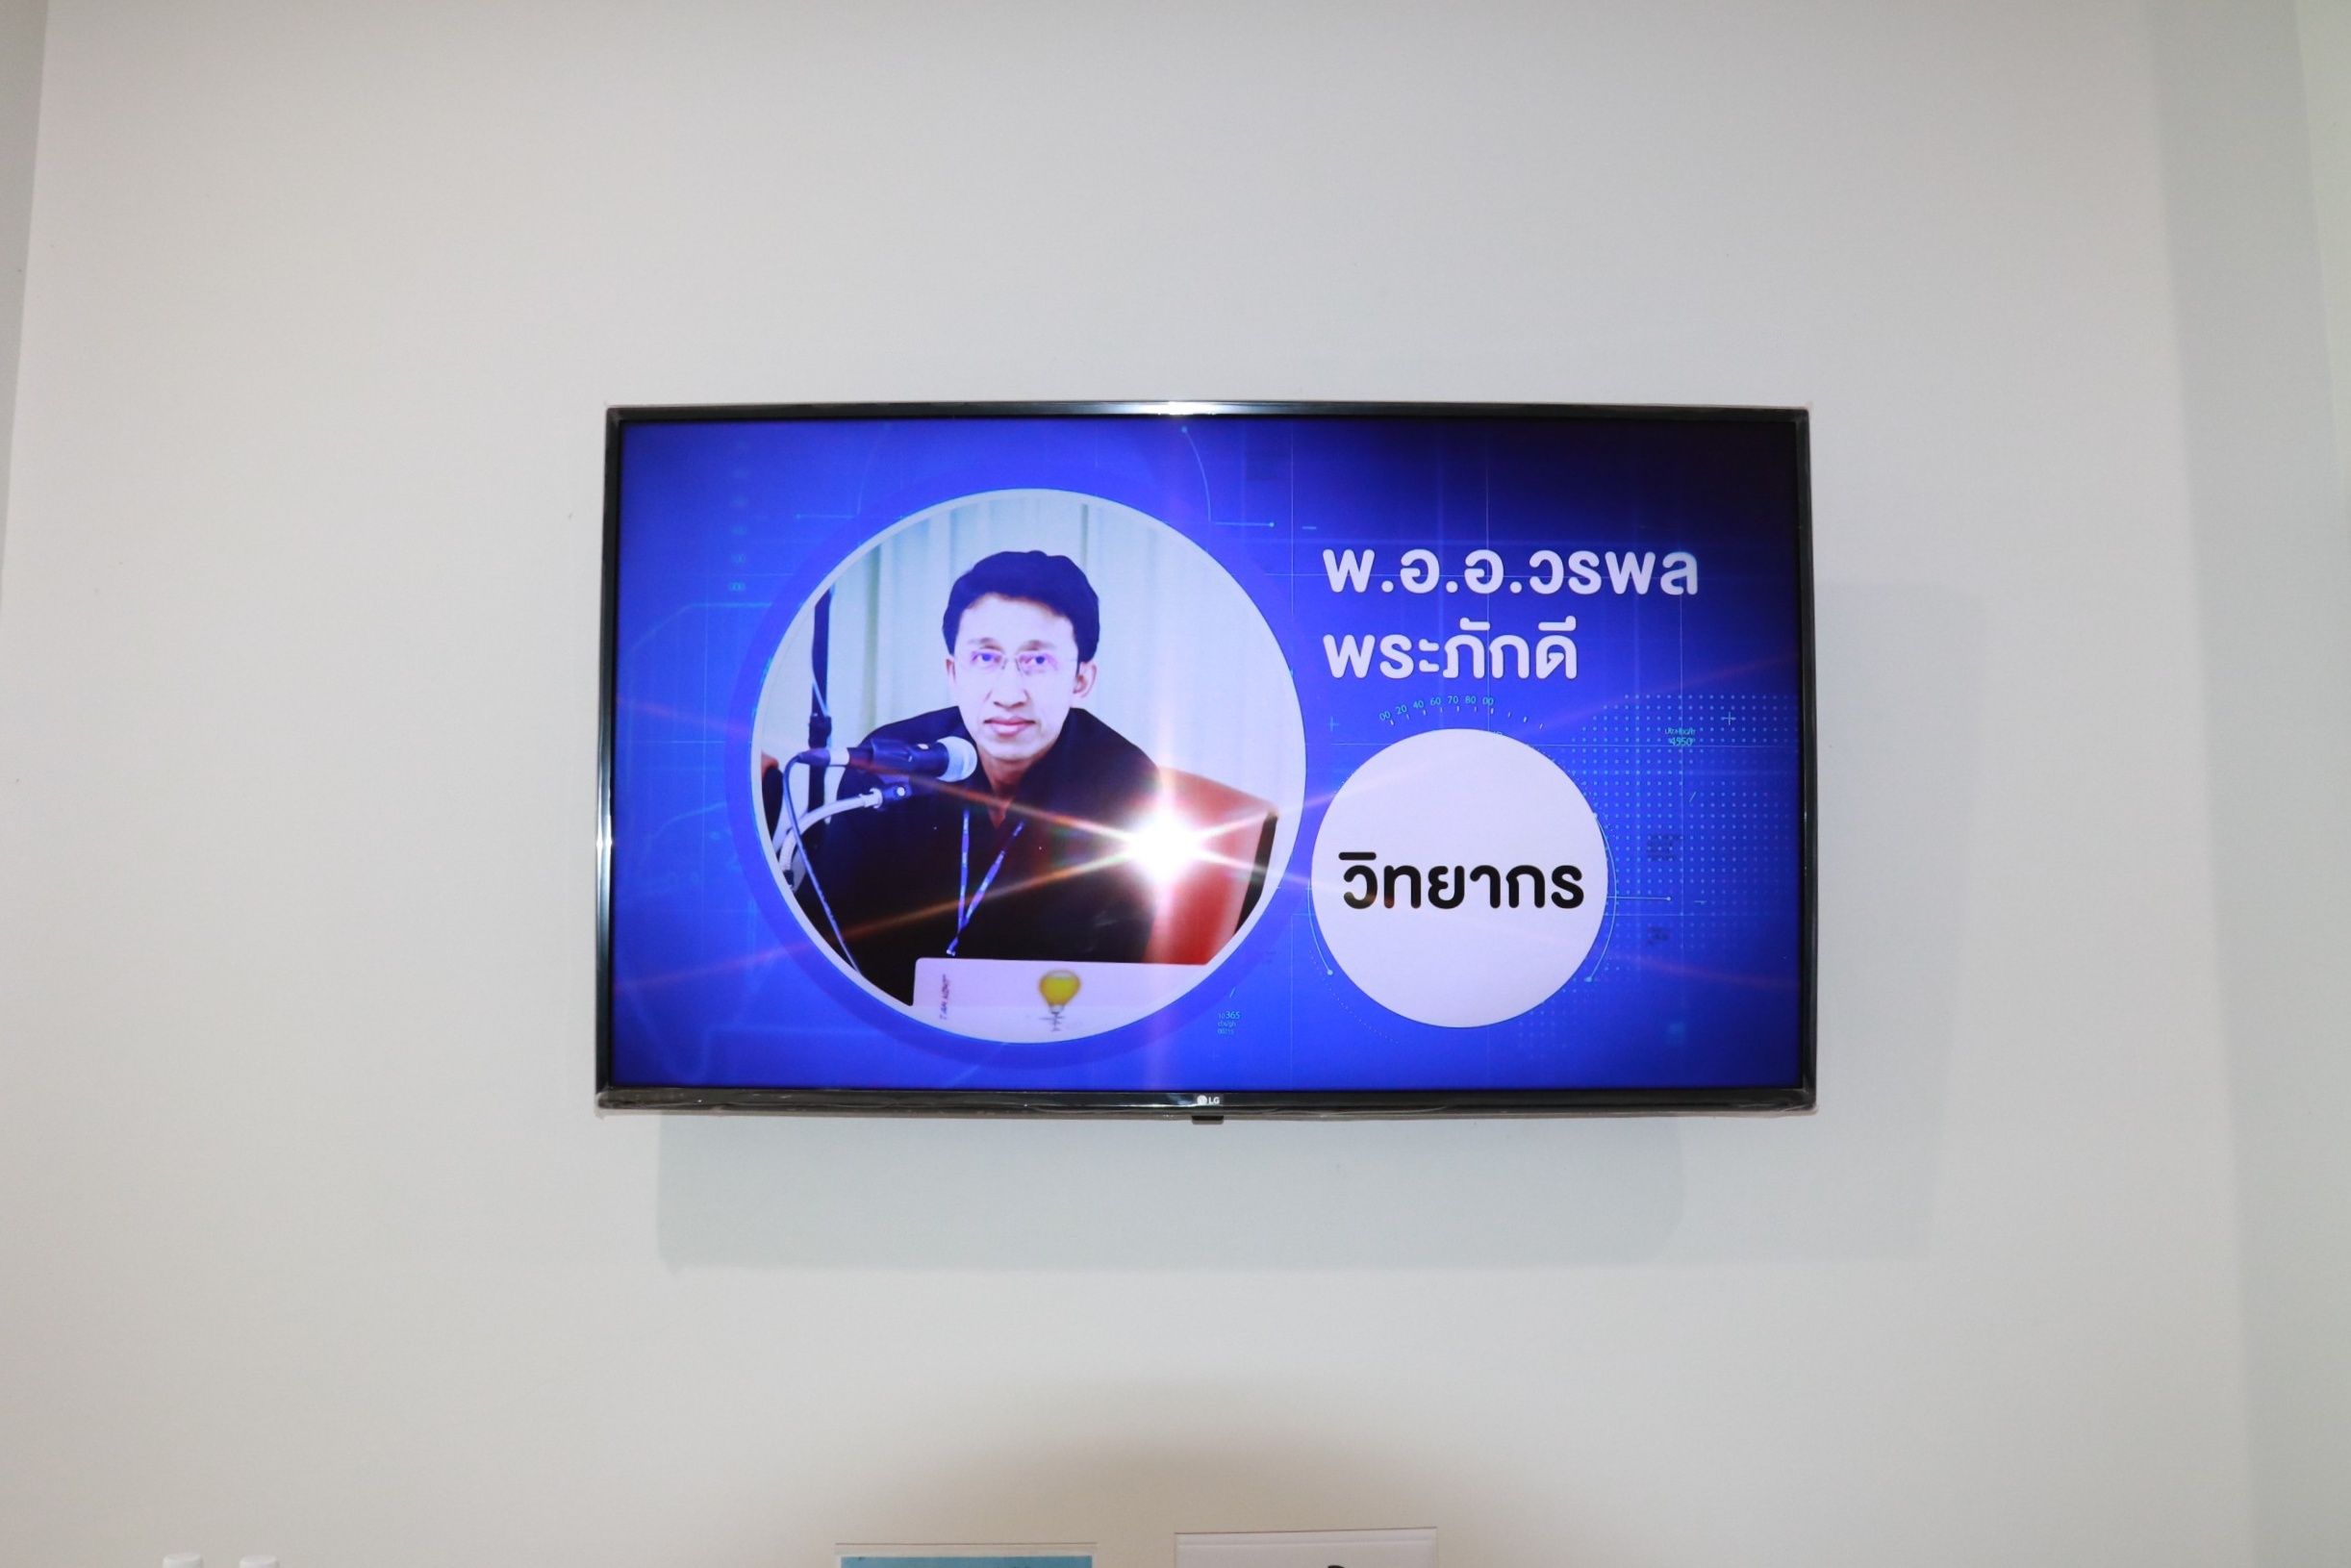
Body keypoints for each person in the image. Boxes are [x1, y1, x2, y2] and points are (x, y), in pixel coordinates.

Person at [793, 549, 1160, 1002]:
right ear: (953, 671)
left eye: (1037, 662)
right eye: (985, 657)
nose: (1008, 694)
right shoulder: (889, 762)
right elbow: (826, 941)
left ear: (1081, 680)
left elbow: (1103, 966)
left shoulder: (1122, 782)